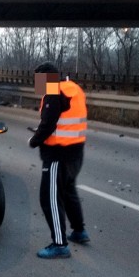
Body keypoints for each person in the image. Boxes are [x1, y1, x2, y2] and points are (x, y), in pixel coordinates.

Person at [28, 61, 89, 259]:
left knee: (50, 198)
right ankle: (79, 231)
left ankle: (60, 244)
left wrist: (34, 141)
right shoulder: (73, 88)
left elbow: (48, 124)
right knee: (69, 190)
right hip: (76, 152)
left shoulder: (53, 93)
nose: (37, 84)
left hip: (57, 155)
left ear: (47, 78)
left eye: (38, 79)